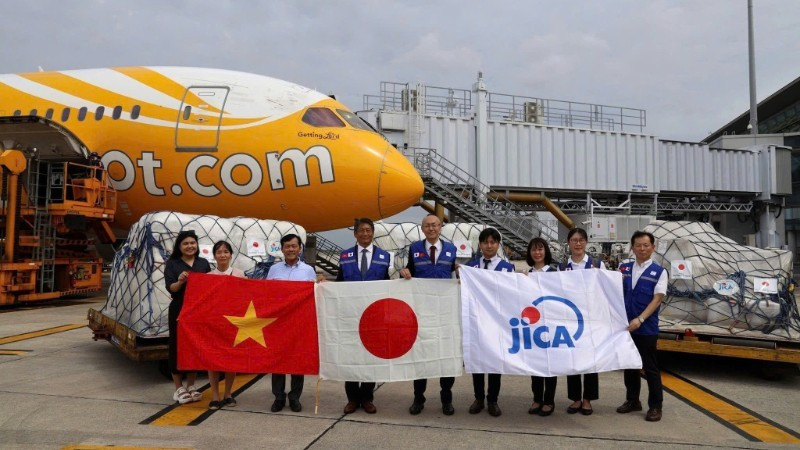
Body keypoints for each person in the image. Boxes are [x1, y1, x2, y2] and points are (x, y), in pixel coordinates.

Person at [399, 214, 458, 416]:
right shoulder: (415, 249)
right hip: (421, 310)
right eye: (427, 226)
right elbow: (410, 272)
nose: (431, 228)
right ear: (422, 229)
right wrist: (404, 272)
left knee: (445, 354)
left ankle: (446, 398)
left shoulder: (451, 249)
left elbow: (455, 273)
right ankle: (418, 398)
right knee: (421, 355)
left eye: (435, 225)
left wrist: (460, 272)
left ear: (440, 227)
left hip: (444, 311)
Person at [336, 218, 390, 415]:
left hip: (373, 317)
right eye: (361, 231)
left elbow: (387, 285)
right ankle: (352, 399)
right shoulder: (345, 256)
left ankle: (367, 398)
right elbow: (339, 283)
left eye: (368, 230)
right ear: (355, 234)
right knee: (351, 357)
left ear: (373, 232)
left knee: (369, 358)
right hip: (351, 315)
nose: (365, 234)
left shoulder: (384, 257)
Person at [463, 227, 514, 417]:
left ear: (498, 244)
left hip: (497, 324)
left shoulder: (507, 268)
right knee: (477, 362)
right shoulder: (472, 267)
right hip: (476, 322)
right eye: (485, 242)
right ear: (480, 245)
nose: (489, 245)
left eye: (493, 242)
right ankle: (478, 398)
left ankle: (493, 399)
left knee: (494, 363)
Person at [617, 231, 667, 422]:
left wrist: (641, 319)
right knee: (630, 365)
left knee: (650, 368)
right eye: (638, 245)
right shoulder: (623, 268)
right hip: (626, 326)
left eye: (646, 245)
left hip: (646, 327)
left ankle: (655, 406)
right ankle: (632, 400)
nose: (642, 248)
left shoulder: (660, 272)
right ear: (632, 247)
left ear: (653, 248)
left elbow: (657, 300)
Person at [266, 234, 316, 413]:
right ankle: (278, 397)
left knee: (297, 360)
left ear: (300, 248)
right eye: (287, 246)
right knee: (278, 360)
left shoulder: (308, 270)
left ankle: (295, 397)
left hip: (299, 323)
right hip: (278, 323)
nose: (291, 249)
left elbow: (313, 295)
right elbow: (266, 295)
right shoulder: (274, 270)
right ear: (282, 249)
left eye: (294, 246)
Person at [560, 227, 605, 416]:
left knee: (590, 361)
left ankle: (588, 399)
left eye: (581, 240)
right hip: (570, 320)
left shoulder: (596, 264)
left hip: (591, 321)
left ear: (586, 242)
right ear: (569, 243)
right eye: (574, 240)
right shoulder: (561, 267)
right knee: (573, 360)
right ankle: (576, 398)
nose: (578, 243)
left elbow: (606, 290)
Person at [164, 230, 211, 404]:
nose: (190, 246)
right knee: (176, 346)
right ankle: (178, 387)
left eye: (193, 243)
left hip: (198, 311)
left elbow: (209, 288)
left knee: (194, 346)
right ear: (179, 246)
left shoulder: (203, 263)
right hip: (179, 309)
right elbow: (172, 289)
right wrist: (180, 281)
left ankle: (191, 385)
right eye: (186, 243)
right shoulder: (173, 264)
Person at [206, 240, 246, 410]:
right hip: (214, 325)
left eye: (225, 252)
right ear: (214, 255)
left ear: (230, 254)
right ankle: (215, 395)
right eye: (219, 252)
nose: (222, 255)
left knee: (230, 360)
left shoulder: (239, 274)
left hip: (233, 324)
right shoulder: (207, 277)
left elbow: (246, 298)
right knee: (213, 361)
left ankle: (228, 393)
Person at [526, 237, 557, 417]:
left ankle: (549, 400)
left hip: (551, 325)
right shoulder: (527, 274)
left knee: (550, 365)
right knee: (535, 364)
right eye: (534, 250)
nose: (537, 253)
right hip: (533, 326)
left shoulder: (555, 273)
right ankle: (537, 398)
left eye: (540, 249)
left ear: (546, 251)